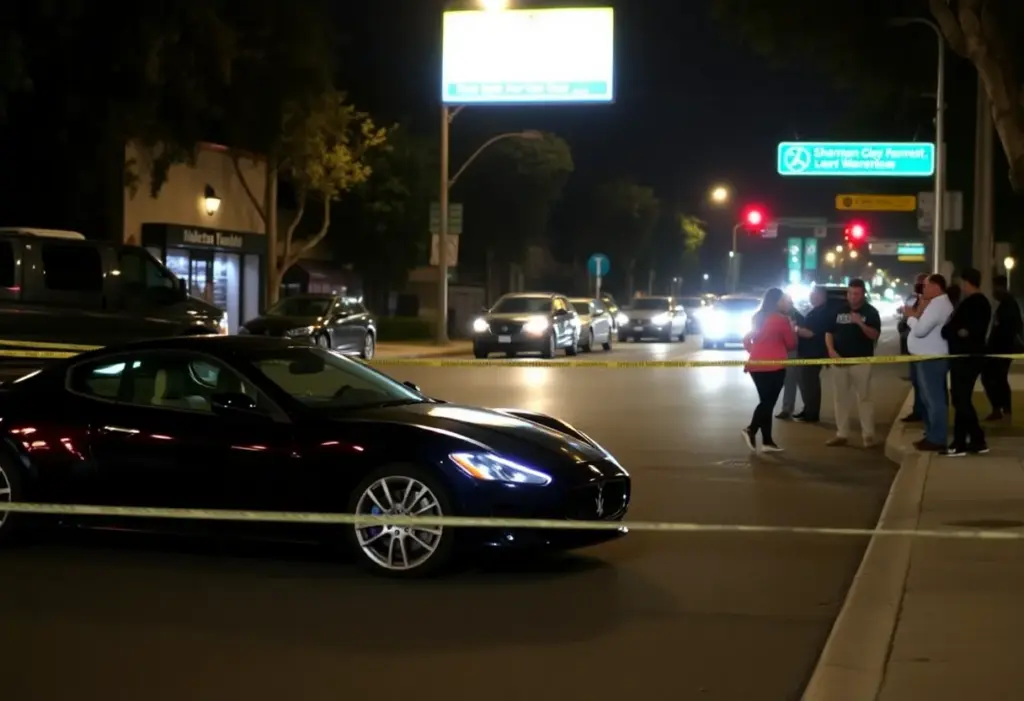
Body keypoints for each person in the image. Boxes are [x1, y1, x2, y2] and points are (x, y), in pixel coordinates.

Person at [824, 279, 882, 448]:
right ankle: (842, 433)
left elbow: (874, 335)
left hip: (861, 362)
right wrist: (831, 350)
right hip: (839, 361)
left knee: (864, 398)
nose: (852, 297)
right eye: (850, 293)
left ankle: (868, 435)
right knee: (840, 399)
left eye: (856, 293)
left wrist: (860, 323)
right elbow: (829, 332)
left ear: (863, 294)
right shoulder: (838, 310)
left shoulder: (871, 312)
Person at [941, 267, 991, 456]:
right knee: (961, 398)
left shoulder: (973, 303)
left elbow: (952, 330)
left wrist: (957, 331)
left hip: (966, 359)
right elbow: (955, 329)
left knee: (960, 399)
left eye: (961, 282)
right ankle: (969, 440)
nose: (960, 286)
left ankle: (968, 440)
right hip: (968, 358)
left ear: (967, 281)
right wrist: (956, 331)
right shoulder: (980, 303)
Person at [741, 288, 796, 453]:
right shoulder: (782, 319)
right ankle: (750, 429)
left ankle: (767, 441)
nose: (786, 303)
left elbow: (746, 339)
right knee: (768, 403)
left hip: (756, 365)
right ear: (777, 301)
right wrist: (792, 328)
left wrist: (756, 352)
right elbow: (792, 344)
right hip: (774, 366)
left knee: (766, 402)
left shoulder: (758, 317)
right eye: (784, 300)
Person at [905, 274, 955, 452]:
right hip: (925, 357)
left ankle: (937, 438)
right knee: (929, 399)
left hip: (931, 358)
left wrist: (910, 317)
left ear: (936, 287)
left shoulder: (938, 304)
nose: (922, 289)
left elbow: (920, 330)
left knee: (934, 400)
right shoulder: (935, 303)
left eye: (925, 286)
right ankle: (931, 434)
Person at [982, 274, 1023, 420]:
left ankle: (1000, 408)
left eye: (994, 287)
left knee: (993, 377)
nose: (993, 291)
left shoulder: (1008, 304)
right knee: (998, 378)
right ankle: (1002, 408)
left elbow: (1010, 327)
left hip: (1001, 349)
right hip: (1000, 349)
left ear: (1000, 287)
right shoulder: (1006, 303)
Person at [790, 285, 830, 423]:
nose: (810, 297)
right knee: (807, 383)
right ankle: (808, 410)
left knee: (810, 384)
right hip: (808, 352)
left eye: (813, 295)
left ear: (820, 296)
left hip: (813, 353)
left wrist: (795, 329)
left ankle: (812, 414)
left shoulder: (821, 313)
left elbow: (810, 333)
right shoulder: (816, 311)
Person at [899, 273, 928, 422]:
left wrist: (911, 315)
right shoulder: (914, 299)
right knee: (916, 382)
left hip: (923, 348)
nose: (918, 285)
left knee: (924, 384)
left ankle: (924, 414)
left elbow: (918, 319)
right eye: (917, 283)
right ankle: (917, 411)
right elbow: (906, 316)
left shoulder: (928, 302)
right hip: (913, 347)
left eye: (922, 283)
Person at [776, 305, 805, 420]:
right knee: (788, 380)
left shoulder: (796, 315)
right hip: (779, 349)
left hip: (792, 350)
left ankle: (790, 409)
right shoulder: (775, 315)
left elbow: (798, 333)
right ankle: (786, 408)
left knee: (792, 379)